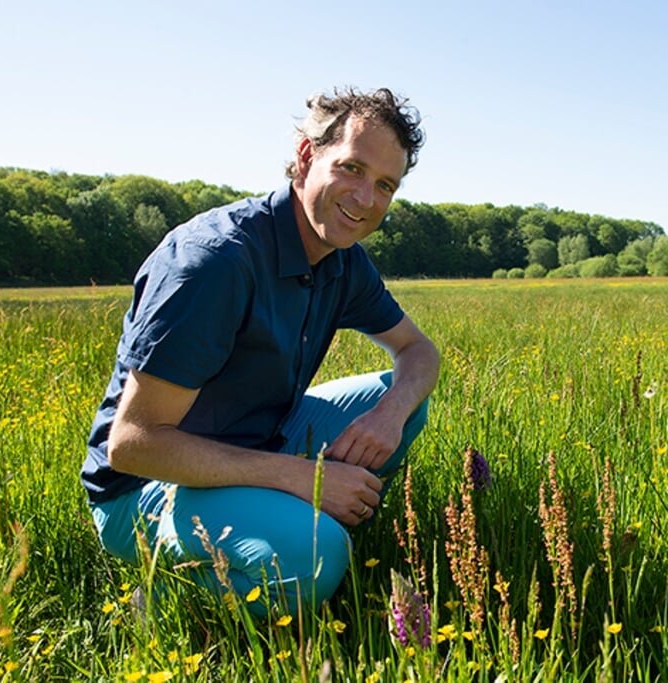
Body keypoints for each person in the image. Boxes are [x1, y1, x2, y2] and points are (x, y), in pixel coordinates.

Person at [80, 87, 441, 618]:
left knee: (403, 399)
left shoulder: (342, 259)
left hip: (258, 440)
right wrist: (306, 480)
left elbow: (418, 351)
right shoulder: (213, 265)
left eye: (385, 184)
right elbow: (133, 446)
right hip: (145, 487)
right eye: (352, 169)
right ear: (305, 157)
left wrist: (389, 416)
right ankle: (166, 598)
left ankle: (286, 522)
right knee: (319, 557)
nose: (366, 199)